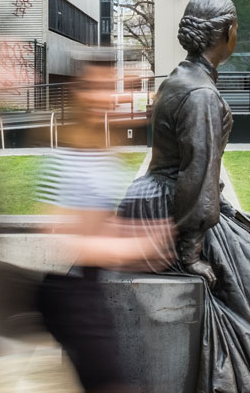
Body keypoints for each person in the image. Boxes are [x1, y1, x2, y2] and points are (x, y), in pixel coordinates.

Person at [117, 0, 250, 392]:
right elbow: (198, 176)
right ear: (226, 34)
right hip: (174, 209)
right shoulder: (202, 95)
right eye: (236, 30)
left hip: (154, 198)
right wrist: (191, 252)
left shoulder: (180, 78)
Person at [32, 47, 167, 393]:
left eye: (109, 87)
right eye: (93, 87)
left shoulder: (102, 148)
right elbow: (66, 236)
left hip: (92, 295)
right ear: (78, 91)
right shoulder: (64, 155)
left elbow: (100, 221)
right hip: (74, 297)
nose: (103, 97)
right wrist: (136, 245)